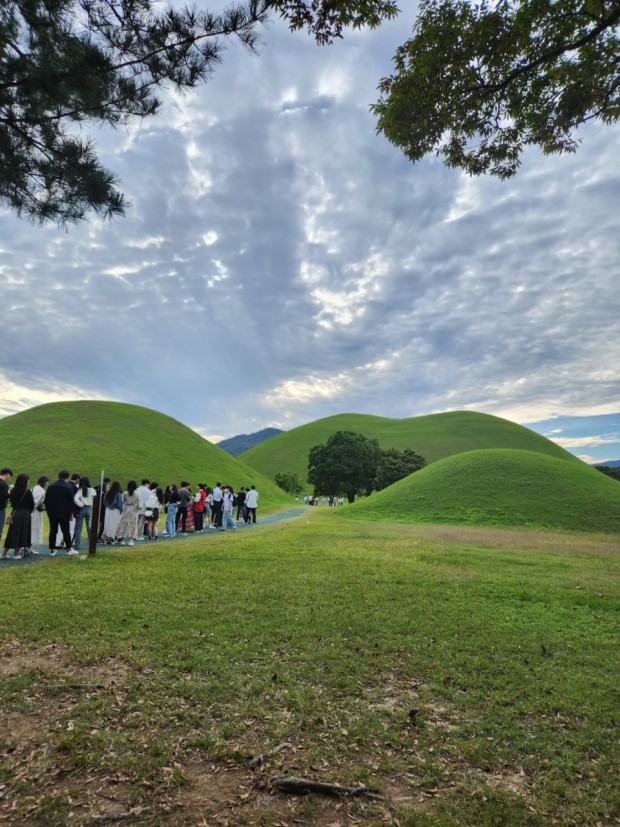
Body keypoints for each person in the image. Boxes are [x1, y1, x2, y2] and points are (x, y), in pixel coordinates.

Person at [1, 472, 35, 559]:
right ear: (25, 481)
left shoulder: (13, 490)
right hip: (24, 514)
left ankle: (3, 554)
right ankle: (15, 555)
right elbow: (32, 505)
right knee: (22, 534)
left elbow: (12, 502)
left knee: (11, 533)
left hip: (14, 513)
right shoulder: (27, 492)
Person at [46, 470, 76, 555]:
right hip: (64, 513)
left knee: (53, 531)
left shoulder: (51, 486)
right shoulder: (68, 486)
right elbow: (71, 502)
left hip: (52, 513)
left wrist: (49, 511)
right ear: (67, 477)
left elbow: (47, 500)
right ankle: (69, 549)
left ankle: (52, 549)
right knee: (66, 531)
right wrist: (71, 513)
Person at [73, 476, 97, 551]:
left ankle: (77, 545)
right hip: (89, 509)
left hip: (81, 509)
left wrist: (81, 504)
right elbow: (95, 499)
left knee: (78, 528)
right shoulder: (92, 490)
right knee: (89, 527)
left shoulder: (80, 490)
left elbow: (75, 499)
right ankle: (91, 544)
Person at [116, 480, 141, 546]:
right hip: (134, 510)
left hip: (126, 509)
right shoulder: (137, 494)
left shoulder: (125, 493)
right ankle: (131, 540)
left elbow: (123, 501)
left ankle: (122, 540)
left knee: (124, 524)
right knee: (133, 525)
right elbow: (138, 503)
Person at [30, 475, 49, 545]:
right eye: (47, 482)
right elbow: (37, 501)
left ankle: (31, 543)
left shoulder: (34, 488)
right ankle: (34, 542)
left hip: (32, 510)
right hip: (36, 510)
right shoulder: (41, 490)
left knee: (33, 527)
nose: (47, 484)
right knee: (36, 527)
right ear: (44, 482)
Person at [0, 467, 14, 540]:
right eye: (10, 476)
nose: (9, 478)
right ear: (7, 474)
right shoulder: (4, 484)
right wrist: (10, 493)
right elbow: (4, 496)